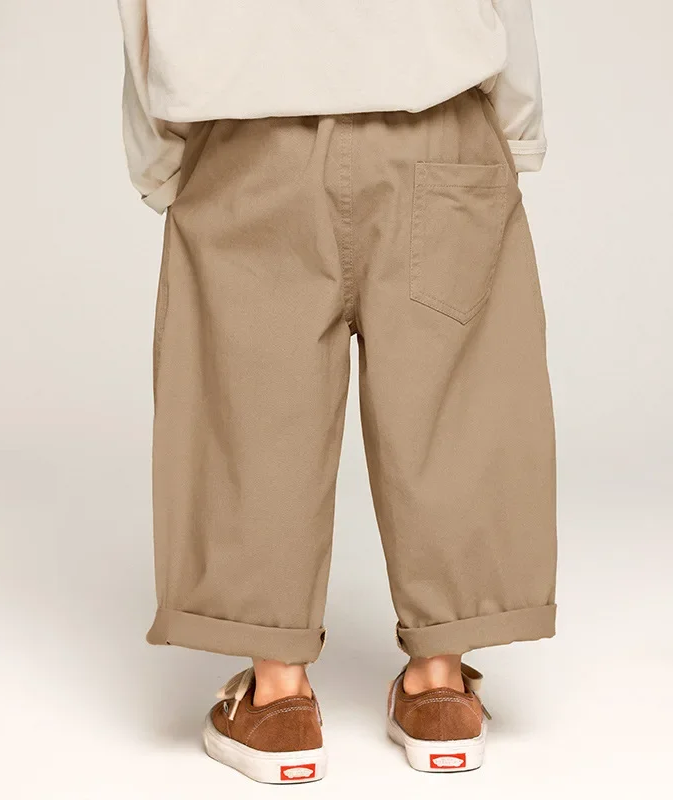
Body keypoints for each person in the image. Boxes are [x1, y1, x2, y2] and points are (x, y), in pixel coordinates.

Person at [117, 0, 557, 783]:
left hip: (247, 130)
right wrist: (517, 123)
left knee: (250, 406)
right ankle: (441, 689)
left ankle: (277, 700)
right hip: (435, 116)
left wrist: (157, 153)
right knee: (453, 398)